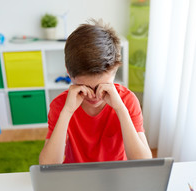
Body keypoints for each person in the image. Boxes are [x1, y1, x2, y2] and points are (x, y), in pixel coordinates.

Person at [39, 19, 152, 164]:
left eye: (102, 87)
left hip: (116, 173)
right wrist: (67, 112)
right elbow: (48, 165)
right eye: (84, 87)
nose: (94, 95)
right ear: (68, 73)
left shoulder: (126, 101)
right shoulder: (61, 105)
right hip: (76, 174)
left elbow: (143, 162)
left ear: (115, 70)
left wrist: (120, 109)